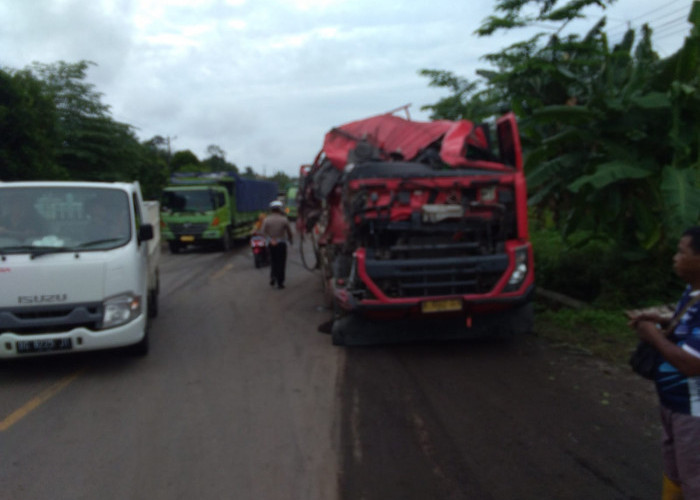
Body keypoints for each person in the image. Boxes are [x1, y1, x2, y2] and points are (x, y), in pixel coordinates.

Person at [629, 226, 700, 500]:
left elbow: (693, 364)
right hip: (674, 404)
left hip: (692, 412)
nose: (675, 257)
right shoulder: (691, 293)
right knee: (675, 472)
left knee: (694, 479)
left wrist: (654, 337)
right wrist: (661, 320)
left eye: (682, 252)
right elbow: (685, 327)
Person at [260, 200, 294, 289]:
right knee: (281, 263)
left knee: (273, 261)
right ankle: (280, 282)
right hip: (281, 244)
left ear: (271, 210)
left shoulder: (266, 220)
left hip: (271, 244)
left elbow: (262, 232)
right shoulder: (284, 219)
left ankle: (273, 277)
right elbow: (289, 232)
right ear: (279, 209)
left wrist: (270, 240)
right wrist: (290, 240)